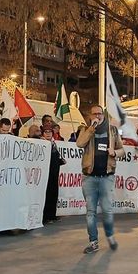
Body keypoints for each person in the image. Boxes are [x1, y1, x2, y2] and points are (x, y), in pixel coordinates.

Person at [76, 105, 123, 253]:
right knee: (91, 212)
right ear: (90, 116)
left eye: (100, 113)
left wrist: (114, 152)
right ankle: (93, 242)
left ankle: (109, 235)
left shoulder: (112, 130)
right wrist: (91, 128)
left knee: (107, 211)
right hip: (89, 178)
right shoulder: (85, 129)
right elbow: (79, 143)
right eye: (94, 114)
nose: (98, 116)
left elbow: (122, 150)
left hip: (106, 177)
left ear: (104, 115)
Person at [41, 124, 65, 223]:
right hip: (46, 174)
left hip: (54, 172)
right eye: (46, 132)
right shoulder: (41, 143)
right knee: (46, 194)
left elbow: (55, 156)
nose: (48, 134)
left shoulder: (53, 143)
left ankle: (52, 215)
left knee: (53, 193)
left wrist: (60, 161)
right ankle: (45, 216)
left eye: (49, 132)